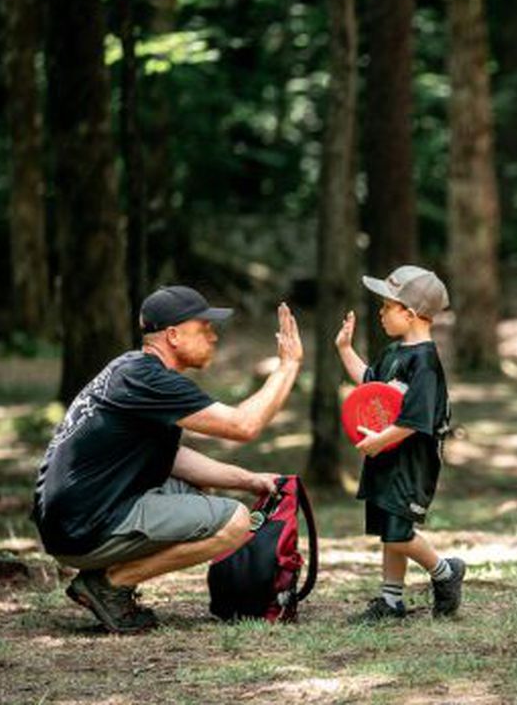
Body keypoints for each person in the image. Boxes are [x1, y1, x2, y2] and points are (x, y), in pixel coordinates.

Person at [32, 285, 303, 633]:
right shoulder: (149, 380)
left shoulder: (132, 371)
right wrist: (288, 367)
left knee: (196, 489)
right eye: (204, 328)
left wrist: (247, 479)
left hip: (72, 520)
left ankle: (106, 579)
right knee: (236, 521)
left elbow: (171, 457)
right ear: (173, 335)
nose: (214, 336)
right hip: (83, 527)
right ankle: (110, 584)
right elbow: (244, 425)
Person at [335, 265, 465, 621]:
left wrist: (380, 440)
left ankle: (445, 571)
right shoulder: (394, 353)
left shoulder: (425, 362)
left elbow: (415, 419)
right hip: (385, 454)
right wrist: (345, 349)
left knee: (399, 532)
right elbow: (369, 384)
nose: (380, 312)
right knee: (388, 530)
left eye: (386, 306)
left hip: (410, 460)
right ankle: (391, 601)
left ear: (409, 314)